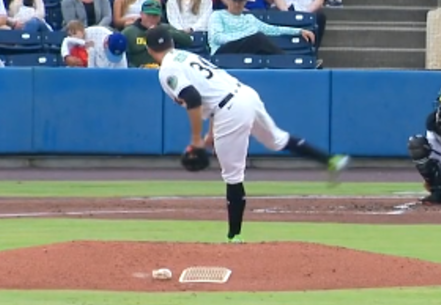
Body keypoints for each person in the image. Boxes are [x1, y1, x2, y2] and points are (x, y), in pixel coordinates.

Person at [144, 25, 351, 243]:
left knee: (233, 176)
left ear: (149, 50)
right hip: (245, 95)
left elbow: (193, 98)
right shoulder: (185, 56)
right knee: (278, 140)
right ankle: (331, 160)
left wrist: (196, 139)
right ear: (172, 43)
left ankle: (234, 236)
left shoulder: (167, 69)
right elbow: (212, 92)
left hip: (229, 111)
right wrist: (211, 134)